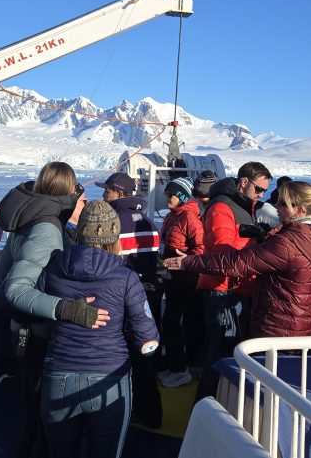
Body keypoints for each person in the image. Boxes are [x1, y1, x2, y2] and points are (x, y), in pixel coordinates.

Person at [0, 161, 110, 458]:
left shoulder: (29, 219)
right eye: (78, 191)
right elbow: (15, 289)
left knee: (34, 421)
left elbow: (1, 270)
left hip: (22, 331)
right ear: (68, 190)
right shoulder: (47, 229)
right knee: (48, 429)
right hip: (40, 336)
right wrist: (65, 309)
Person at [39, 201, 160, 458]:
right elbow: (147, 338)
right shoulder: (125, 277)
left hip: (59, 371)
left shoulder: (53, 267)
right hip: (109, 375)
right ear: (114, 235)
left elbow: (34, 310)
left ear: (80, 232)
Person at [165, 181, 311, 338]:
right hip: (304, 324)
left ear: (300, 210)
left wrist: (188, 262)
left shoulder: (286, 244)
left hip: (277, 327)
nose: (276, 206)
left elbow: (236, 263)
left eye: (283, 202)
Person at [195, 161, 271, 399]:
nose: (261, 195)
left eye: (265, 191)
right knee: (221, 353)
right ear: (244, 182)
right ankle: (206, 403)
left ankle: (218, 401)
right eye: (259, 189)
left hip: (235, 287)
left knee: (227, 350)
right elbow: (222, 251)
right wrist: (257, 254)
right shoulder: (222, 207)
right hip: (224, 289)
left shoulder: (242, 206)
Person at [96, 171, 163, 428]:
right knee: (144, 356)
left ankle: (135, 410)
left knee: (126, 358)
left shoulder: (113, 224)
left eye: (107, 190)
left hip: (123, 299)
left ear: (119, 193)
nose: (104, 194)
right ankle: (150, 411)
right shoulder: (147, 221)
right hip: (147, 295)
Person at [157, 177, 204, 389]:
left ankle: (181, 370)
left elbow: (201, 248)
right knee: (169, 323)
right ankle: (175, 366)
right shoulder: (172, 216)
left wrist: (186, 260)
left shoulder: (190, 218)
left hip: (186, 279)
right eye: (167, 193)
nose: (167, 197)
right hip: (172, 276)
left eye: (172, 194)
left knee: (173, 323)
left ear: (183, 196)